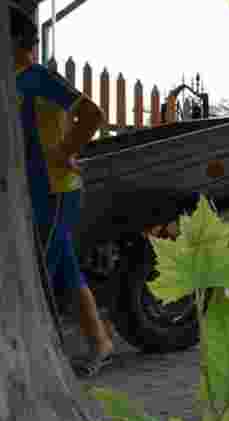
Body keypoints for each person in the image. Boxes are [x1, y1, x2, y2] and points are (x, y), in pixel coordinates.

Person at [11, 4, 114, 376]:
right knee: (67, 272)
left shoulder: (39, 78)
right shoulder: (12, 80)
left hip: (55, 192)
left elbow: (92, 113)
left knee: (38, 275)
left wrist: (65, 150)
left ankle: (38, 360)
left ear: (13, 40)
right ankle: (101, 342)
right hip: (32, 194)